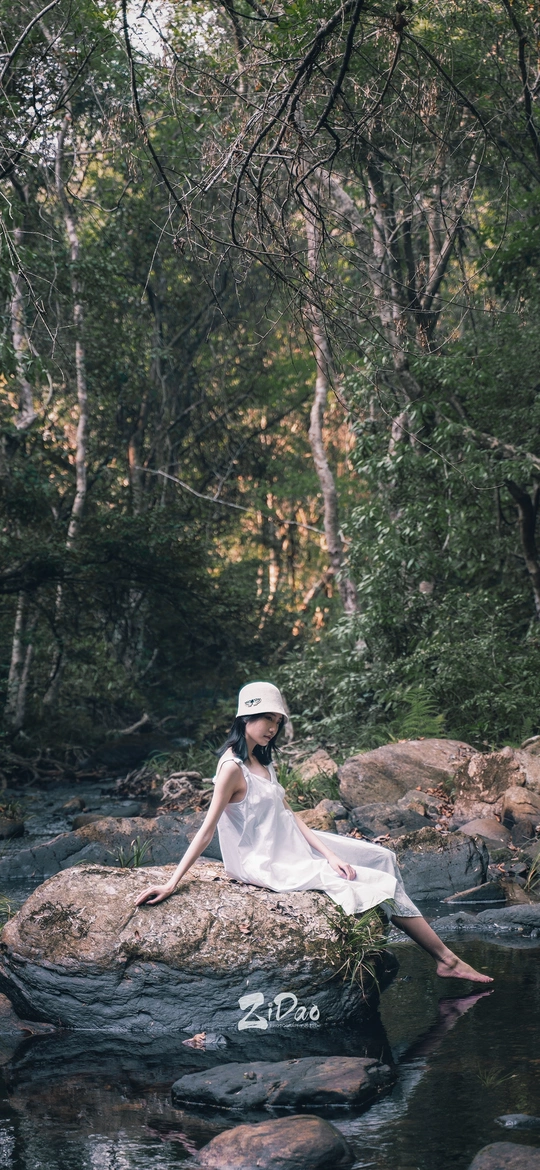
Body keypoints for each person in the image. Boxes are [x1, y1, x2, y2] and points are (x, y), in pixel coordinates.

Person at [136, 681, 492, 983]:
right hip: (263, 859)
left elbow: (289, 815)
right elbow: (206, 829)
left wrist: (331, 855)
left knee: (380, 856)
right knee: (373, 882)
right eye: (266, 718)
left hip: (288, 842)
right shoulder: (232, 767)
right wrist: (172, 883)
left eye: (277, 721)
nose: (272, 728)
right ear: (245, 716)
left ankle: (434, 953)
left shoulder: (263, 760)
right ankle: (445, 958)